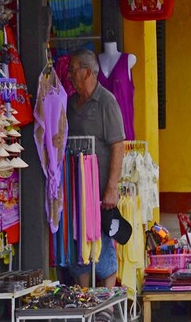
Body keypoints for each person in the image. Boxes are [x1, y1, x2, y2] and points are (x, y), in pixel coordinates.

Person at [65, 48, 125, 288]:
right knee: (77, 245)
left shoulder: (106, 101)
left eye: (72, 69)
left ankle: (108, 304)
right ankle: (84, 296)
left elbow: (117, 146)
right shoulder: (69, 103)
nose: (69, 74)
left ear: (87, 71)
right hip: (74, 189)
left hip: (99, 191)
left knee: (102, 243)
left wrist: (111, 188)